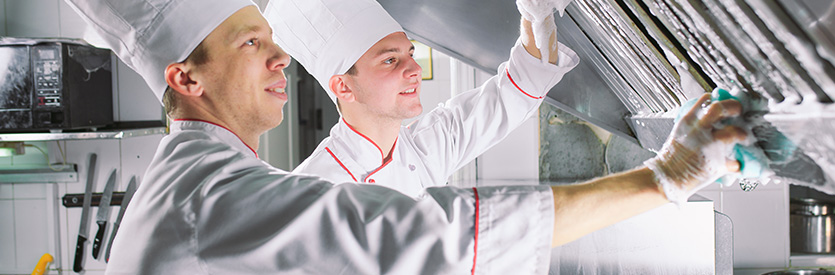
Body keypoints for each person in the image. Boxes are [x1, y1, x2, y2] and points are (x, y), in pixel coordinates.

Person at [65, 0, 747, 273]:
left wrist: (537, 16)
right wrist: (668, 175)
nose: (278, 62)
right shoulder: (235, 198)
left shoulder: (418, 144)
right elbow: (439, 237)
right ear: (186, 77)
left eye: (274, 43)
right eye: (251, 43)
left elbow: (507, 95)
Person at [267, 0, 576, 196]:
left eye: (410, 54)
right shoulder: (310, 194)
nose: (414, 68)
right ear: (343, 87)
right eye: (390, 60)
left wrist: (538, 14)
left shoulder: (425, 146)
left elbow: (519, 89)